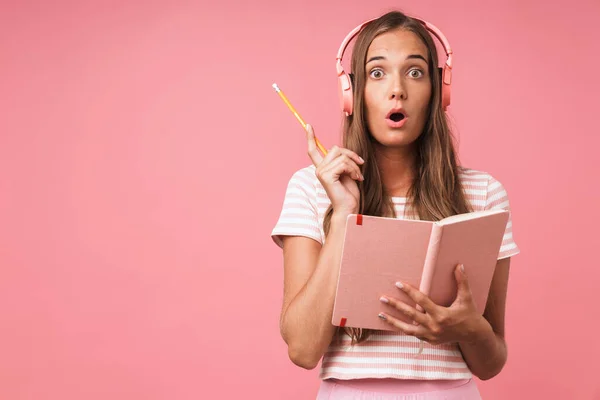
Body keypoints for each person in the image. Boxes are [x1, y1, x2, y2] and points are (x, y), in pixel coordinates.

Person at [271, 10, 520, 400]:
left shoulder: (484, 194)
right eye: (377, 73)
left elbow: (491, 363)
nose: (397, 89)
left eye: (416, 72)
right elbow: (303, 350)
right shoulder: (312, 188)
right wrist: (342, 217)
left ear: (440, 91)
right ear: (352, 94)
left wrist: (467, 328)